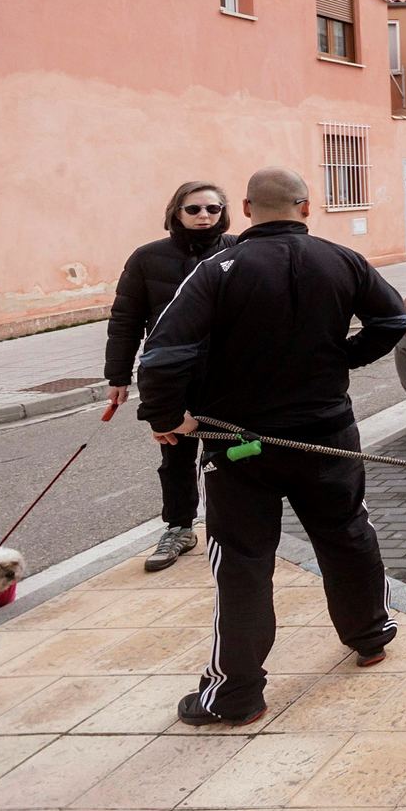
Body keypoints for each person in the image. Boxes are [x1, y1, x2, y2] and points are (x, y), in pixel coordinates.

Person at [136, 166, 406, 727]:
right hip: (328, 437)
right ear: (306, 207)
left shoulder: (219, 269)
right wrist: (342, 357)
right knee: (347, 533)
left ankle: (236, 695)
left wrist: (166, 417)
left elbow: (162, 353)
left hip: (240, 445)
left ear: (245, 209)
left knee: (241, 562)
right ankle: (370, 635)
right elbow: (393, 319)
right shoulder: (344, 260)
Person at [104, 180, 236, 572]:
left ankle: (235, 527)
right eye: (194, 209)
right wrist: (118, 376)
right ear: (176, 212)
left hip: (228, 375)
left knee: (231, 455)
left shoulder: (239, 250)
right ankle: (179, 527)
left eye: (212, 209)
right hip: (173, 378)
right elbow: (125, 320)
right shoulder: (147, 259)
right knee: (175, 455)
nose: (204, 216)